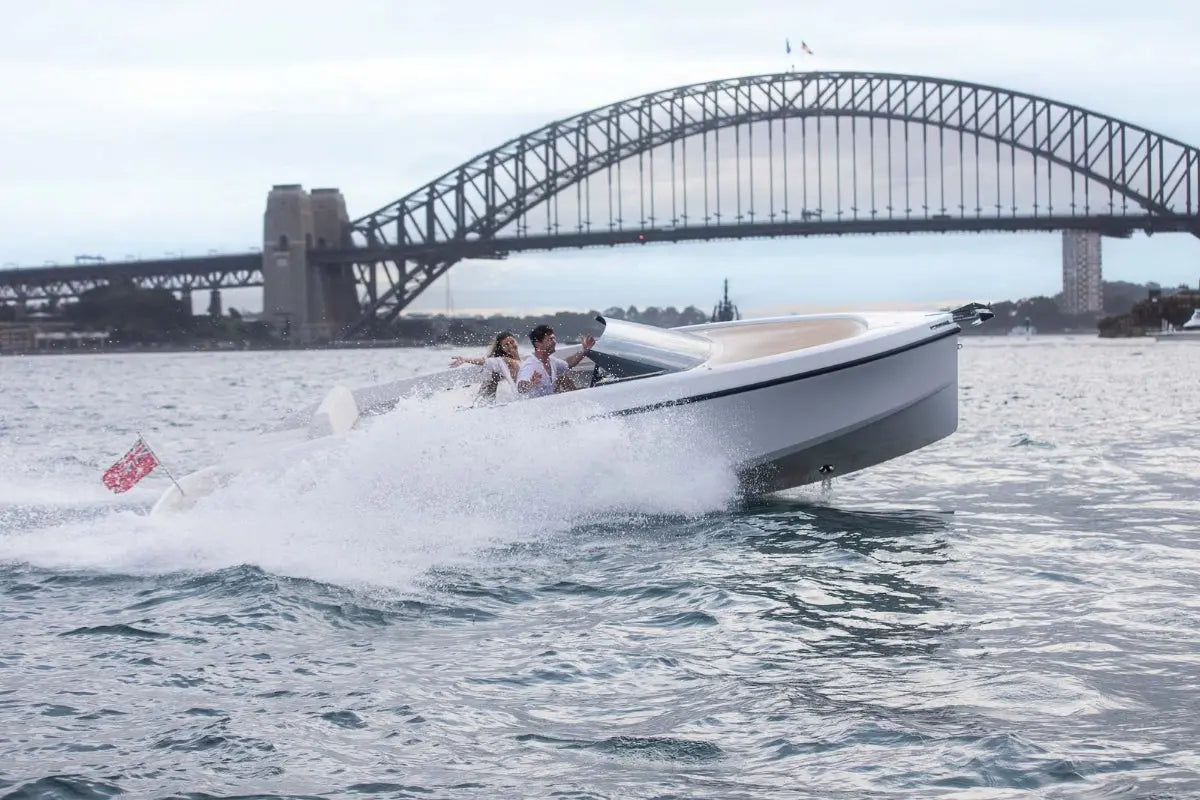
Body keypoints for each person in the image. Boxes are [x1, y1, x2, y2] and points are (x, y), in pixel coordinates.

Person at [516, 324, 597, 398]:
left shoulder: (552, 361)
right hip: (536, 408)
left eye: (554, 338)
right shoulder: (530, 365)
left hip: (551, 405)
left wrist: (585, 351)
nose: (554, 342)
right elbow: (520, 387)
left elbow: (568, 364)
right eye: (550, 339)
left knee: (565, 379)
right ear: (538, 344)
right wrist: (530, 384)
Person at [449, 330, 521, 405]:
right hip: (496, 393)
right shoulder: (502, 361)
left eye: (512, 342)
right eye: (506, 345)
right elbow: (485, 361)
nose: (510, 346)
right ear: (502, 349)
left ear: (516, 341)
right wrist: (465, 359)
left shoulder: (525, 358)